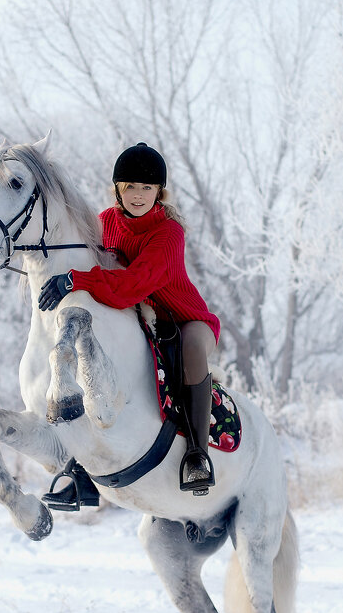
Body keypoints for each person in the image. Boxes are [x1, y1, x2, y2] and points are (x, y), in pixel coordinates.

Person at [38, 142, 220, 507]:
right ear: (118, 190)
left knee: (193, 347)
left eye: (147, 188)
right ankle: (79, 470)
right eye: (131, 187)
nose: (138, 195)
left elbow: (133, 285)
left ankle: (198, 455)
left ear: (159, 192)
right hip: (135, 316)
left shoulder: (169, 233)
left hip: (182, 319)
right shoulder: (104, 222)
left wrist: (76, 280)